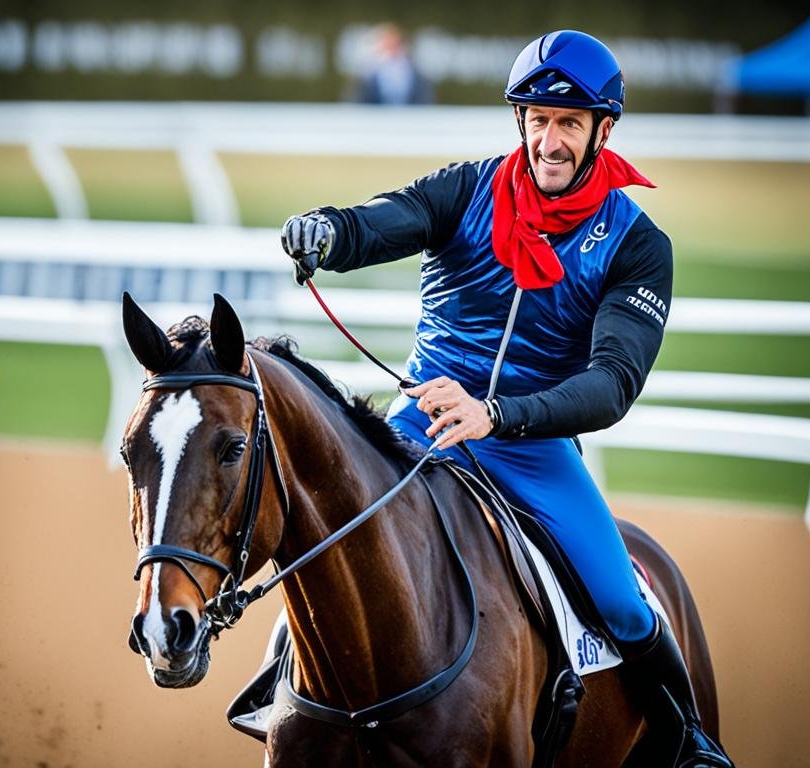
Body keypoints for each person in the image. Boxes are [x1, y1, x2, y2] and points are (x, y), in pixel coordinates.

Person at [281, 29, 734, 766]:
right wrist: (328, 230)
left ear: (602, 130)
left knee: (622, 601)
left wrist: (496, 415)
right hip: (420, 424)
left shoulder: (637, 244)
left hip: (534, 446)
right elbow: (381, 222)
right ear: (519, 121)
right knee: (332, 537)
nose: (550, 141)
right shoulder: (466, 188)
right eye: (538, 121)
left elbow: (613, 384)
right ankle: (285, 687)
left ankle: (690, 743)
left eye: (569, 124)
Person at [351, 23, 433, 106]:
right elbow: (357, 101)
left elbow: (425, 99)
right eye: (387, 44)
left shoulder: (417, 74)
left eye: (395, 44)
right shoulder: (366, 74)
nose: (391, 48)